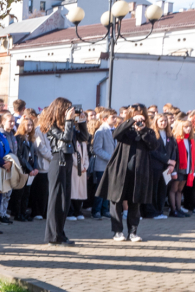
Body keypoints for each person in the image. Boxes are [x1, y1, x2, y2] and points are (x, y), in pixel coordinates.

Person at [95, 104, 159, 242]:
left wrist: (142, 131)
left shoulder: (148, 131)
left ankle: (133, 232)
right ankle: (117, 231)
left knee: (135, 202)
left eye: (141, 115)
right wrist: (130, 121)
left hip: (139, 172)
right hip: (120, 170)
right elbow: (116, 134)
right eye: (136, 115)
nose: (139, 118)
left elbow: (153, 145)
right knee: (116, 200)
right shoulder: (125, 130)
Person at [40, 98, 88, 246]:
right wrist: (69, 121)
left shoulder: (69, 126)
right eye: (67, 109)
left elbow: (84, 137)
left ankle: (60, 234)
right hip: (58, 161)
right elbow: (66, 139)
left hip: (67, 161)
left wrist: (82, 121)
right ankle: (52, 236)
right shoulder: (52, 126)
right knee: (56, 200)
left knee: (65, 201)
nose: (70, 111)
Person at [7, 116, 38, 221]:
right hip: (22, 168)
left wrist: (35, 167)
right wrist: (29, 168)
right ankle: (17, 213)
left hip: (30, 169)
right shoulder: (19, 138)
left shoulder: (30, 138)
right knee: (19, 192)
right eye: (28, 125)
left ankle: (23, 212)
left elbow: (34, 154)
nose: (30, 127)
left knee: (26, 192)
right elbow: (19, 156)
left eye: (31, 125)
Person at [146, 114, 177, 219]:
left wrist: (171, 164)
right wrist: (167, 160)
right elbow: (153, 151)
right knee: (154, 189)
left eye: (165, 121)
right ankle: (152, 212)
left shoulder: (170, 134)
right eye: (161, 121)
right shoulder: (152, 134)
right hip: (155, 166)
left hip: (167, 167)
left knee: (163, 189)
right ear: (156, 122)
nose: (163, 123)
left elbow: (173, 149)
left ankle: (159, 210)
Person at [90, 109, 117, 219]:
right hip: (102, 165)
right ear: (105, 119)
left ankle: (105, 209)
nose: (115, 119)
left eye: (116, 117)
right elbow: (97, 149)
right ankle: (96, 210)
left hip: (112, 165)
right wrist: (111, 158)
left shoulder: (114, 130)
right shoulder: (101, 131)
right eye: (112, 117)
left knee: (109, 188)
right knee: (100, 188)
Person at [172, 118, 195, 216]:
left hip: (187, 168)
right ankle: (173, 210)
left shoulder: (189, 140)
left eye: (190, 127)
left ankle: (178, 208)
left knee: (180, 190)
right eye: (186, 127)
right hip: (178, 168)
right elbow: (174, 155)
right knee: (174, 189)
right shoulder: (177, 140)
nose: (188, 129)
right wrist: (174, 171)